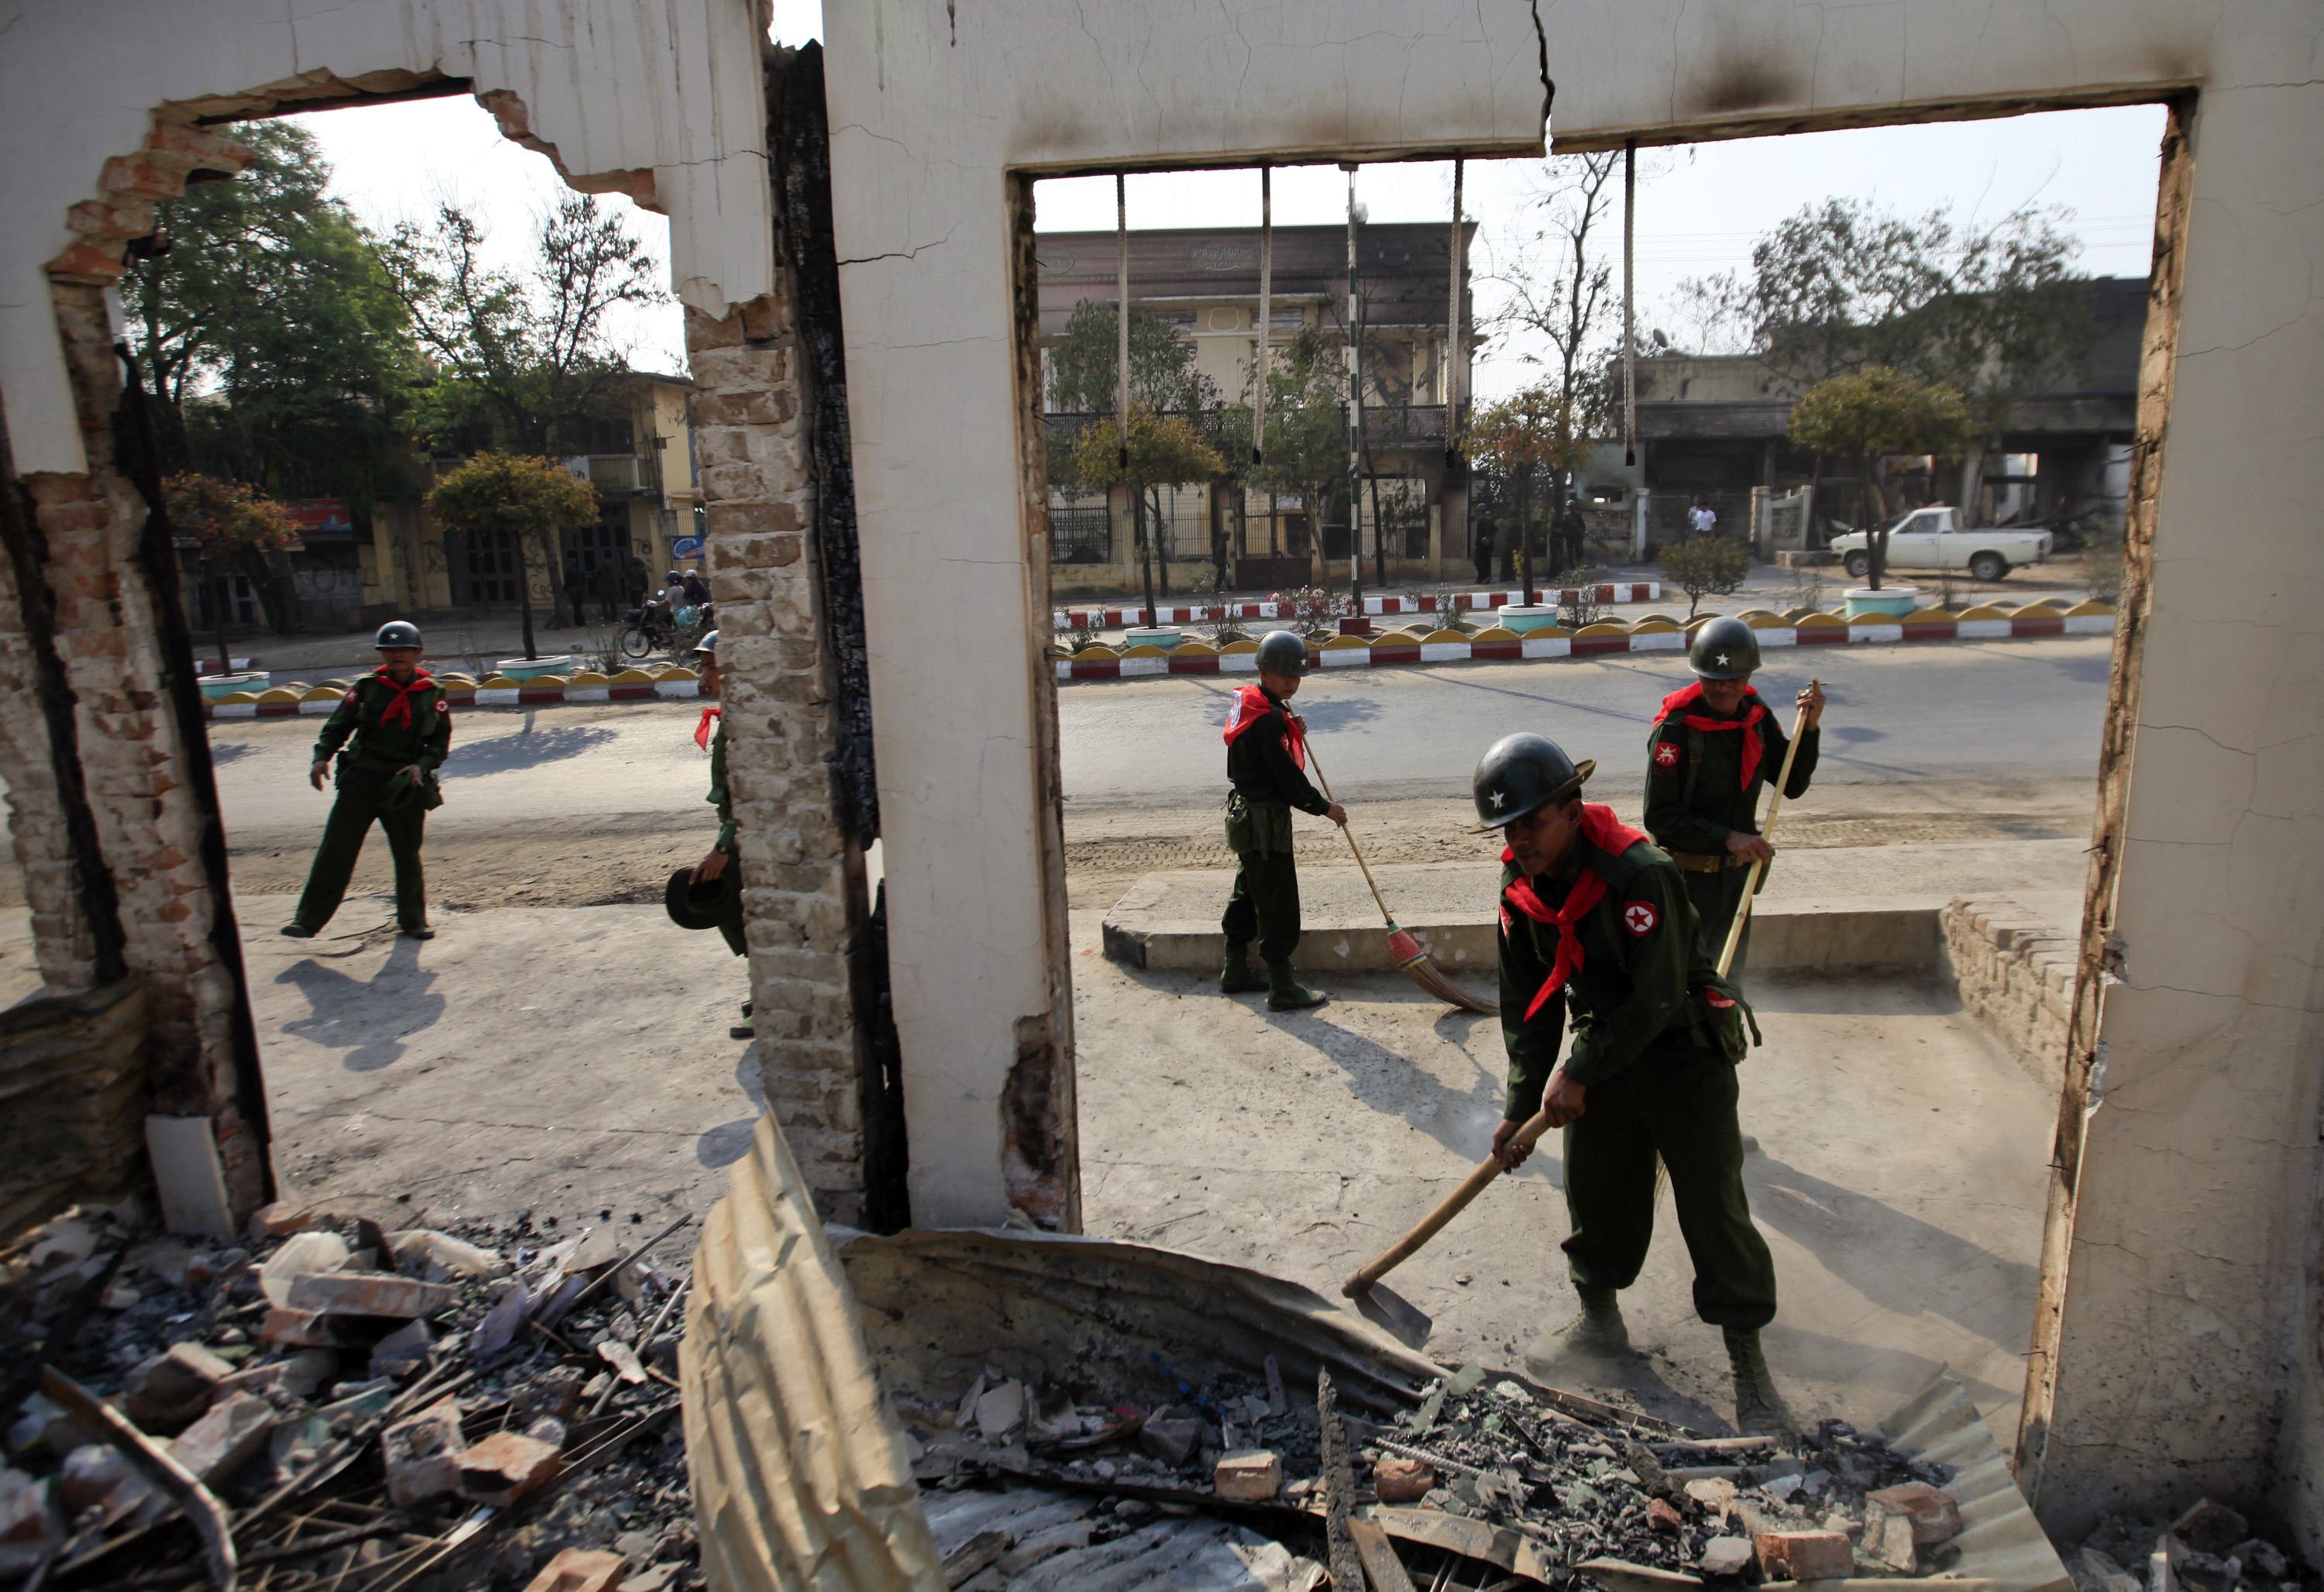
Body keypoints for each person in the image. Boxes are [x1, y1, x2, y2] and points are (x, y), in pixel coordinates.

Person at [1474, 731, 1787, 1436]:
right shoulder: (1518, 886)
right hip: (1604, 1049)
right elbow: (1526, 1001)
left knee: (1712, 1204)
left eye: (1533, 821)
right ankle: (1600, 1325)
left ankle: (1748, 1359)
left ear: (1571, 806)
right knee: (1598, 1188)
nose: (1520, 838)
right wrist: (1522, 1105)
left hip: (1682, 1050)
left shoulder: (1639, 873)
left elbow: (1653, 997)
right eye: (1508, 826)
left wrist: (1577, 1073)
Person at [1643, 617, 1824, 979]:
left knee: (1730, 983)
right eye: (1713, 679)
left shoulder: (1756, 719)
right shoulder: (1676, 731)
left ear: (1749, 677)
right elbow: (1660, 817)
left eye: (1734, 680)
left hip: (1736, 883)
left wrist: (1811, 727)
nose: (1723, 689)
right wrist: (1727, 838)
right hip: (1686, 883)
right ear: (1699, 676)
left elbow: (1792, 784)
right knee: (1685, 982)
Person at [281, 621, 452, 940]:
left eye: (403, 649)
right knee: (337, 848)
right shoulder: (367, 687)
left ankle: (414, 920)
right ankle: (308, 919)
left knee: (407, 853)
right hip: (361, 778)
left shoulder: (433, 693)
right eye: (390, 649)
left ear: (417, 654)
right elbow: (338, 726)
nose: (396, 655)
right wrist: (321, 757)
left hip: (404, 784)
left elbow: (440, 742)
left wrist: (422, 766)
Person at [1219, 629, 1348, 1010]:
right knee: (1278, 904)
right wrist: (1325, 808)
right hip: (1265, 825)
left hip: (1244, 820)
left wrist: (1290, 727)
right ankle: (1282, 986)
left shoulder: (1252, 704)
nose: (1292, 682)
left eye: (1297, 677)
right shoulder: (1270, 718)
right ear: (1264, 670)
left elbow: (1258, 753)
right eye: (1284, 675)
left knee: (1247, 894)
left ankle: (1235, 968)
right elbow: (1287, 779)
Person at [684, 630, 755, 1038]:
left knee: (729, 906)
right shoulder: (730, 717)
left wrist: (723, 849)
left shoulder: (743, 721)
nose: (705, 676)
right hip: (736, 834)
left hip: (743, 838)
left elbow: (746, 792)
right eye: (705, 667)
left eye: (712, 667)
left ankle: (767, 996)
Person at [1555, 495, 1587, 575]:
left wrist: (1582, 533)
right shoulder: (1566, 516)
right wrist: (1564, 533)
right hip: (1569, 536)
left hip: (1577, 536)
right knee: (1570, 551)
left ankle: (1579, 564)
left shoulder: (1578, 515)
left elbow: (1583, 525)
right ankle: (1571, 565)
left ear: (1574, 507)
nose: (1570, 508)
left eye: (1572, 507)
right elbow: (1564, 526)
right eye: (1569, 507)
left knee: (1579, 550)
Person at [1471, 515, 1497, 586]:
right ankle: (1482, 578)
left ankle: (1486, 576)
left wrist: (1481, 541)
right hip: (1488, 545)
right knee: (1485, 562)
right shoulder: (1490, 521)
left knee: (1477, 561)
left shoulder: (1481, 521)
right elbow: (1496, 529)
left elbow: (1479, 534)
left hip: (1482, 544)